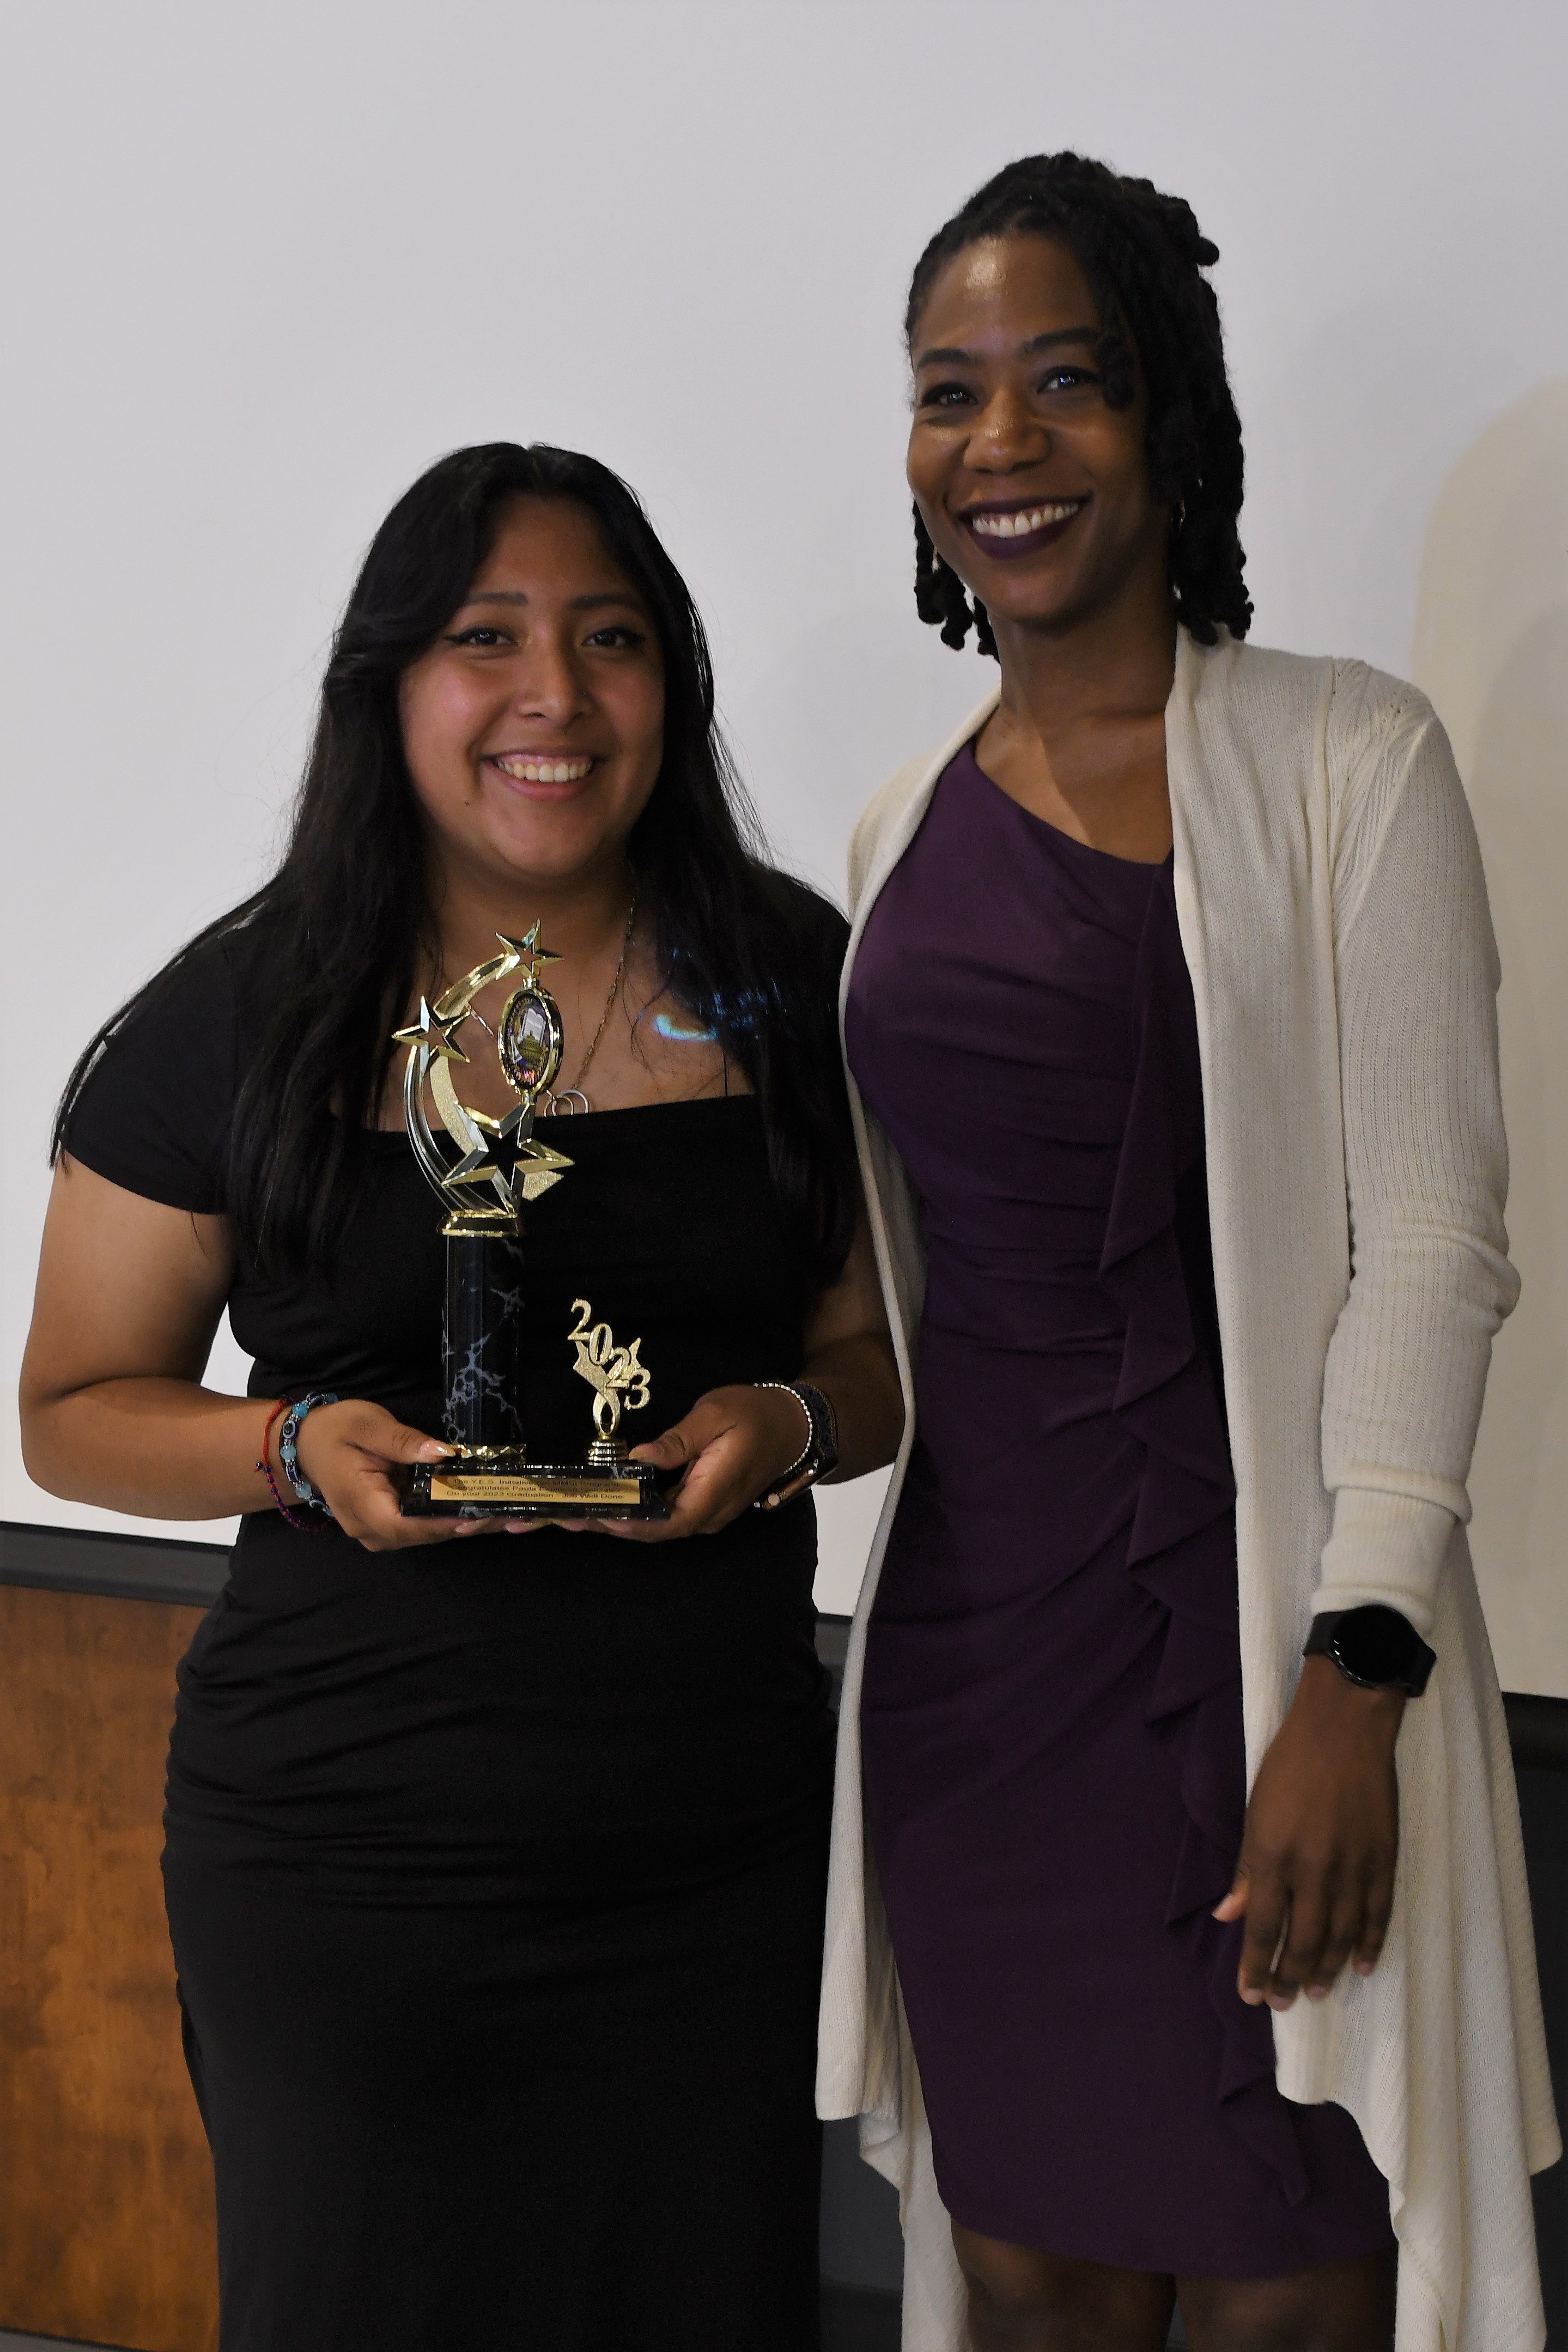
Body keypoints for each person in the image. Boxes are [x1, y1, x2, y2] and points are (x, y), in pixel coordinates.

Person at [20, 441, 903, 2352]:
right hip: (350, 1859)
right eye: (483, 638)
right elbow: (73, 1407)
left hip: (710, 1849)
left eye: (611, 640)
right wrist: (289, 1449)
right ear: (390, 686)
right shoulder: (247, 1010)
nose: (554, 699)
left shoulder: (785, 984)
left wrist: (793, 1426)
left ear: (671, 681)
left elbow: (880, 1354)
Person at [817, 155, 1557, 2352]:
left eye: (1070, 380)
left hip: (1270, 1684)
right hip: (975, 1693)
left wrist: (1358, 1678)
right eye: (952, 393)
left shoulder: (1349, 760)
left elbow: (1435, 1245)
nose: (1004, 443)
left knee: (1289, 2282)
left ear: (1173, 415)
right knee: (1033, 2275)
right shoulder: (896, 831)